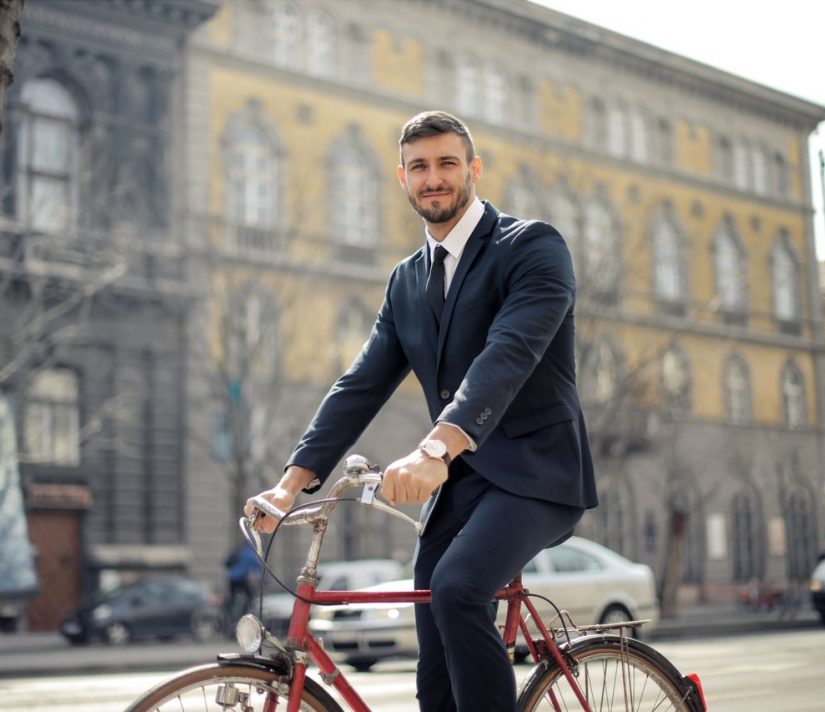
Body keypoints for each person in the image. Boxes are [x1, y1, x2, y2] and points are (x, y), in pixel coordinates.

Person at [244, 111, 597, 712]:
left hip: (540, 474)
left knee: (457, 589)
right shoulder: (406, 281)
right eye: (419, 167)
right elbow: (361, 384)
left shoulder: (532, 247)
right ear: (402, 179)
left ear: (473, 170)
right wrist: (289, 486)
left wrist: (436, 448)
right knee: (430, 614)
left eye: (447, 164)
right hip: (466, 483)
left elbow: (507, 355)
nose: (433, 178)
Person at [224, 542, 262, 624]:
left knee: (232, 597)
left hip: (231, 579)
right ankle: (244, 613)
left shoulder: (239, 552)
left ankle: (229, 614)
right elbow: (258, 565)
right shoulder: (250, 553)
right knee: (250, 597)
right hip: (241, 579)